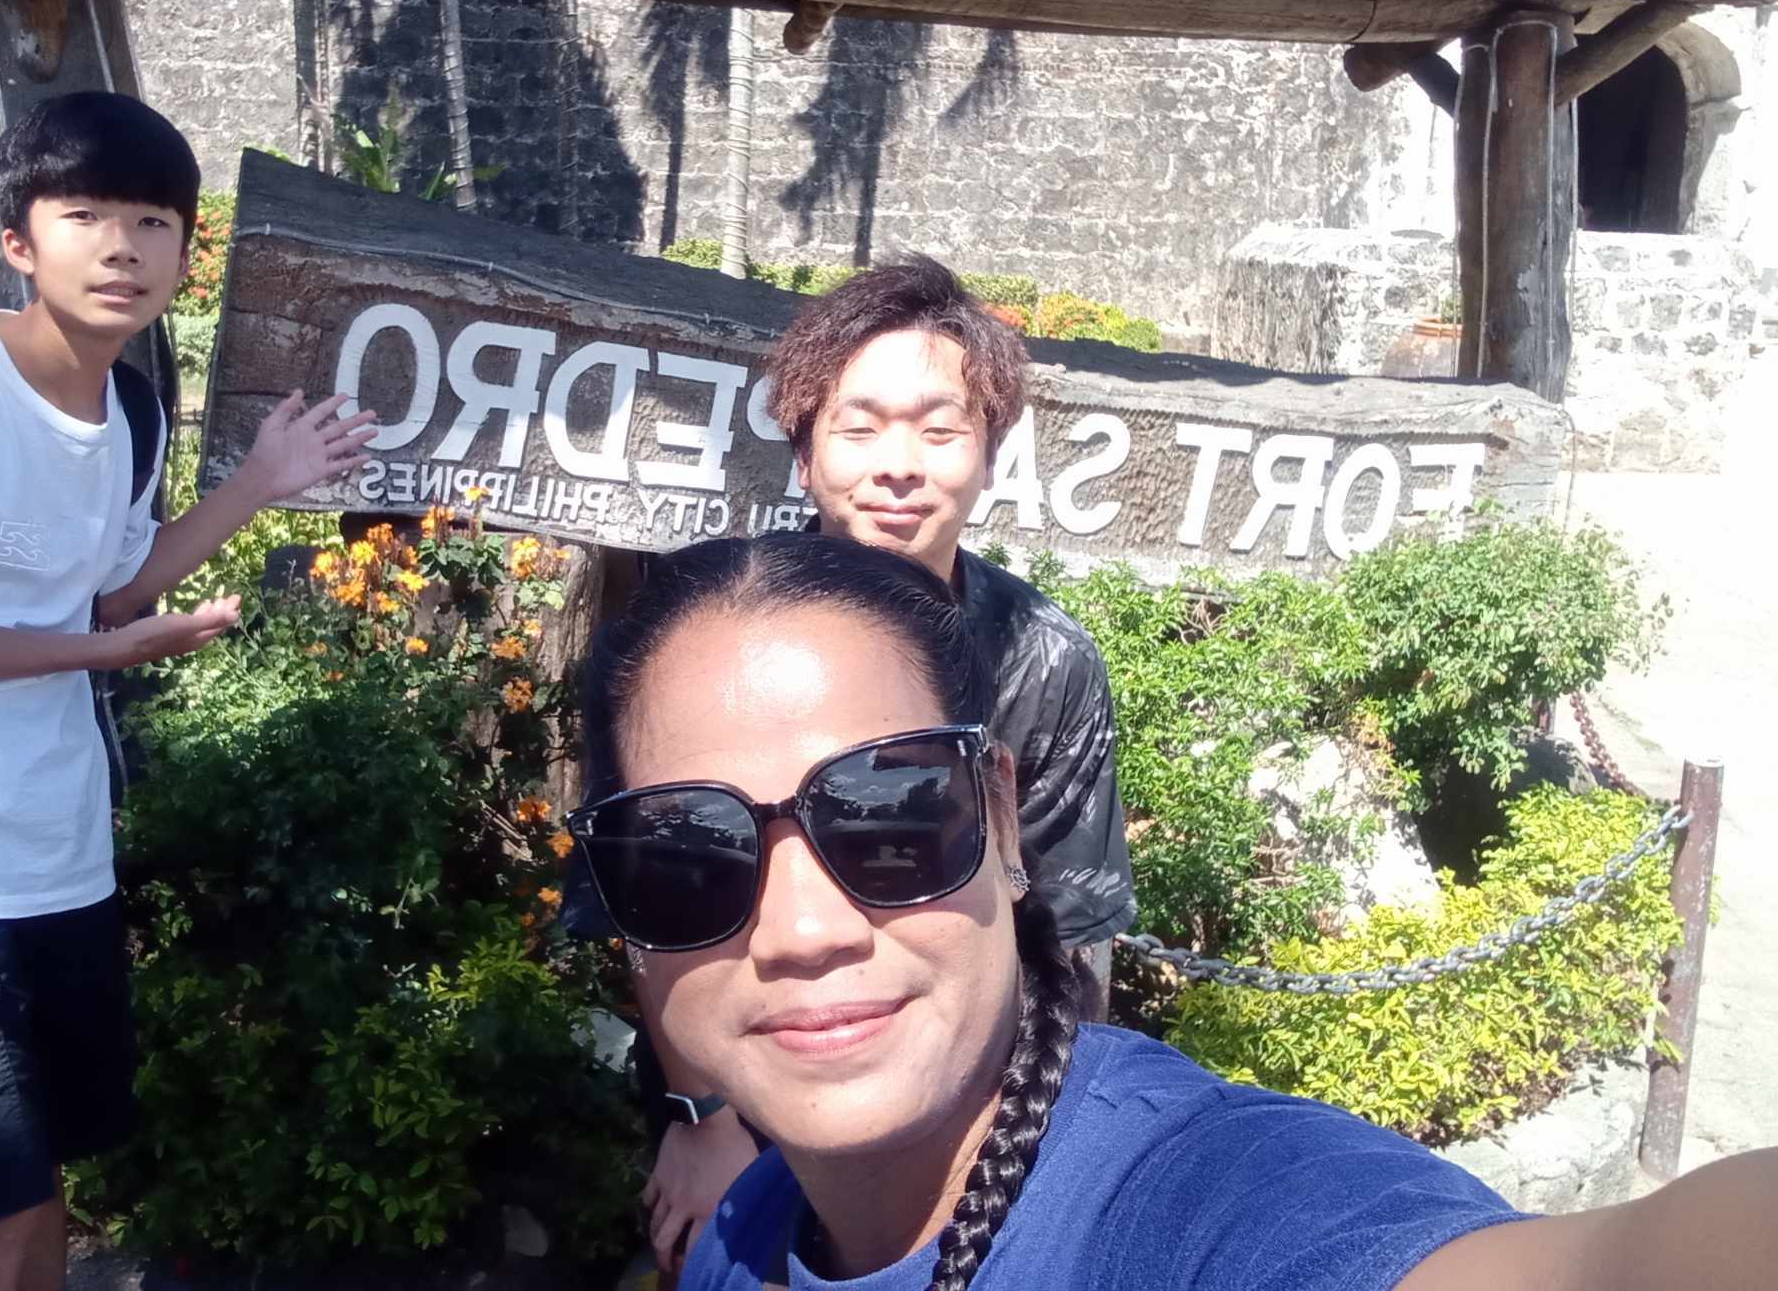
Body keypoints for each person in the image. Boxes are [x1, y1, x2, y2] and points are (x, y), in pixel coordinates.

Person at [569, 531, 1777, 1291]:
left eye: (890, 813)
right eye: (687, 852)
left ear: (1001, 820)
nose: (802, 929)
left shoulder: (1196, 1202)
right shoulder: (746, 1237)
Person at [0, 91, 376, 1291]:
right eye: (85, 215)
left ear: (185, 251)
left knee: (41, 1186)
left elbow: (107, 592)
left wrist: (255, 485)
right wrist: (100, 659)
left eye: (153, 222)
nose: (121, 249)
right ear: (18, 240)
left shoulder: (131, 408)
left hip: (55, 860)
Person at [632, 257, 1135, 1269]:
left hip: (974, 1106)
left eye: (939, 431)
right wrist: (704, 1119)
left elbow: (1074, 932)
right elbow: (653, 906)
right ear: (804, 454)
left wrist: (1052, 1143)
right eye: (858, 429)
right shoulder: (705, 643)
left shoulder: (1044, 659)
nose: (898, 466)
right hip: (746, 1082)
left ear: (987, 458)